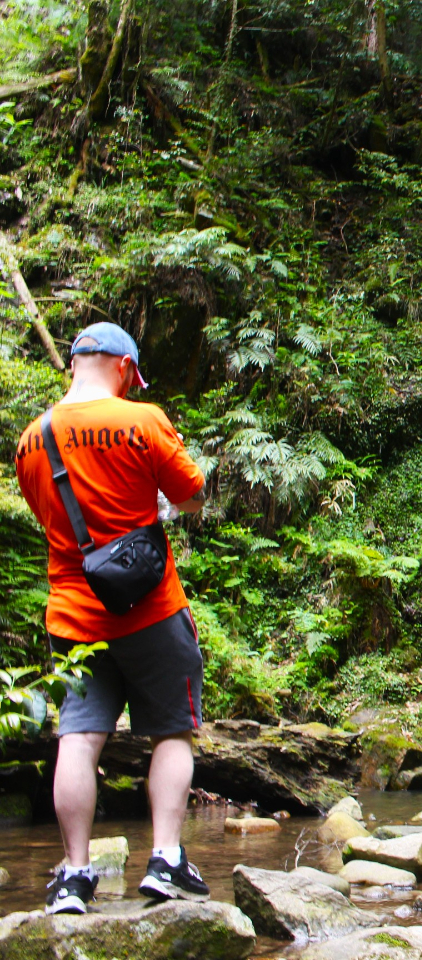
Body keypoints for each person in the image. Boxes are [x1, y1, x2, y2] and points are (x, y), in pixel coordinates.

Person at [14, 322, 211, 915]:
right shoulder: (144, 419)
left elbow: (50, 519)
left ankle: (75, 875)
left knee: (79, 737)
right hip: (151, 610)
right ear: (125, 368)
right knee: (173, 731)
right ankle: (166, 860)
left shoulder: (30, 440)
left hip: (73, 618)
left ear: (75, 365)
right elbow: (192, 494)